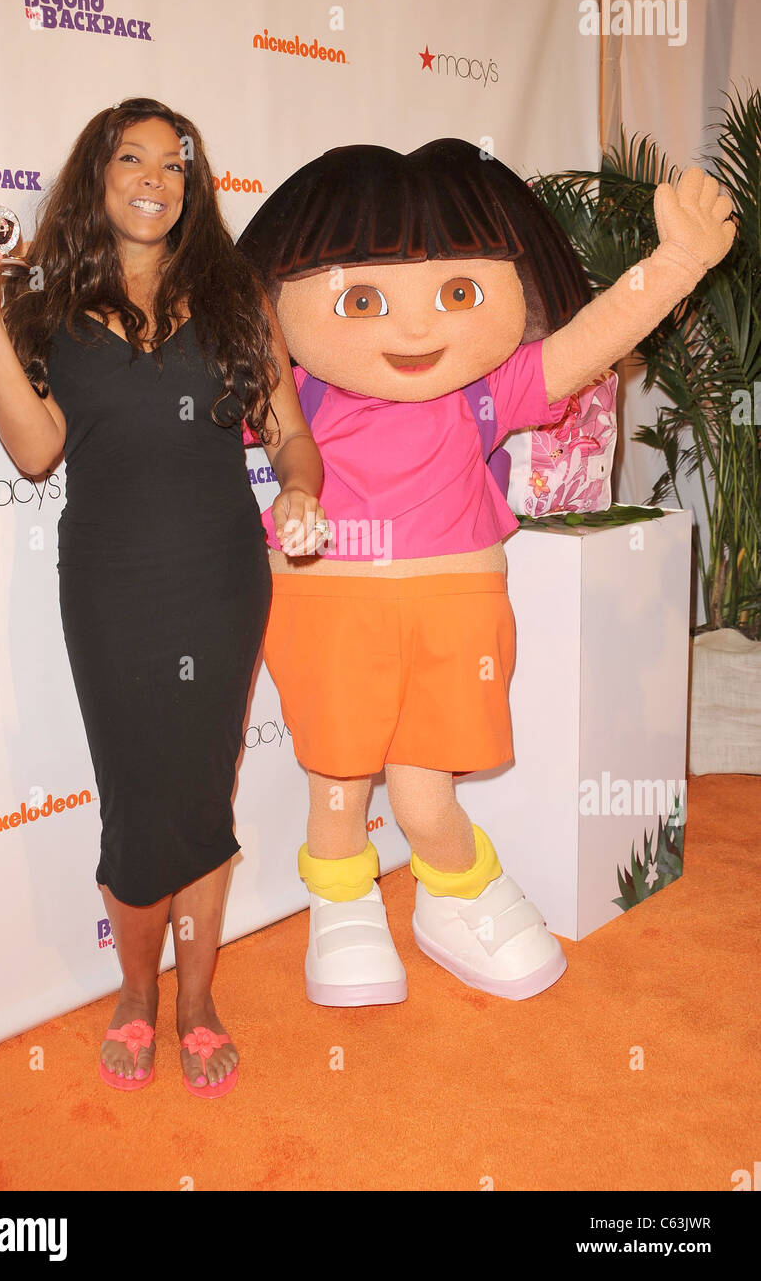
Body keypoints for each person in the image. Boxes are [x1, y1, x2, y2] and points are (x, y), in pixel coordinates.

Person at [237, 140, 735, 1007]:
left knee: (427, 793)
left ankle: (453, 894)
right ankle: (341, 902)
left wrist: (677, 262)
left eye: (458, 293)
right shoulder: (292, 397)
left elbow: (588, 340)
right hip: (329, 607)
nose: (416, 327)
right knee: (339, 779)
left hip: (455, 611)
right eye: (362, 299)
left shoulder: (487, 391)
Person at [0, 98, 325, 1097]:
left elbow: (286, 433)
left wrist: (305, 488)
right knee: (136, 801)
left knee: (200, 790)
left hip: (220, 577)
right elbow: (34, 450)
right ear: (94, 179)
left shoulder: (237, 299)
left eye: (174, 163)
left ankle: (192, 1000)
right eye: (131, 157)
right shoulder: (48, 308)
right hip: (107, 585)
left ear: (190, 186)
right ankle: (135, 991)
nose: (155, 175)